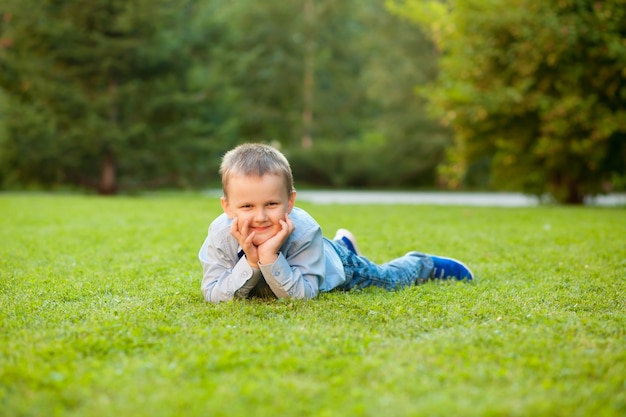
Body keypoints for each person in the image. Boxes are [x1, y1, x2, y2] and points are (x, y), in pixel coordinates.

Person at [198, 143, 473, 303]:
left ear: (289, 202)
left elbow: (302, 296)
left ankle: (421, 263)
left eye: (271, 204)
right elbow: (212, 292)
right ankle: (345, 243)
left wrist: (269, 256)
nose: (260, 217)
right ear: (227, 207)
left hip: (335, 264)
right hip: (316, 254)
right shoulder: (221, 234)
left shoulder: (305, 230)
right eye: (246, 206)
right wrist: (252, 262)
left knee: (386, 279)